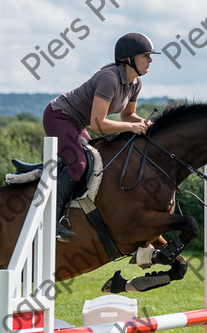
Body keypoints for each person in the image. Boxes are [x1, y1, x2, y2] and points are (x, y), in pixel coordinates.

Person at [43, 32, 159, 241]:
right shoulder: (109, 78)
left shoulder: (136, 82)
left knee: (96, 163)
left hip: (76, 123)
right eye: (146, 56)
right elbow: (99, 124)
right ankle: (52, 220)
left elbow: (128, 115)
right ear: (129, 58)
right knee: (78, 165)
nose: (150, 60)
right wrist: (130, 128)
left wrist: (142, 123)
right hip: (59, 116)